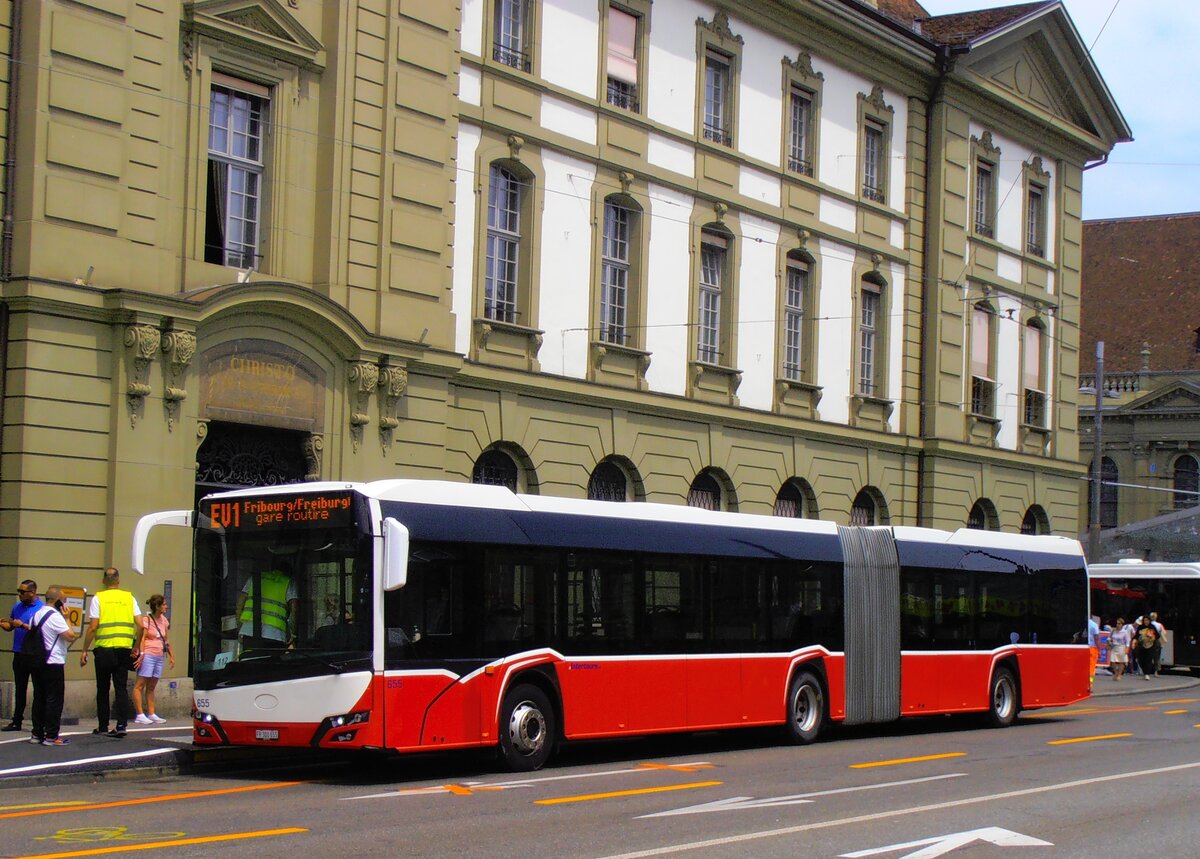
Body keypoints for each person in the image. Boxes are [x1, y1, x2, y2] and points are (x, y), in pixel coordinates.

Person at [10, 586, 79, 745]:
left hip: (36, 661)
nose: (65, 602)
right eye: (64, 600)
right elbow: (70, 636)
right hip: (52, 661)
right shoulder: (55, 616)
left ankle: (37, 733)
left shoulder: (37, 614)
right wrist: (67, 618)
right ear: (58, 601)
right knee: (54, 699)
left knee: (39, 697)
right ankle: (52, 735)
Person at [80, 567, 142, 737]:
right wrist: (136, 646)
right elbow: (142, 624)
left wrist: (84, 649)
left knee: (103, 688)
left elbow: (93, 627)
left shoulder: (99, 598)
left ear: (103, 581)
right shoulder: (129, 597)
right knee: (121, 687)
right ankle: (121, 725)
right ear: (119, 580)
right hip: (124, 648)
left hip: (104, 648)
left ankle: (102, 725)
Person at [0, 580, 43, 732]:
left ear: (32, 592)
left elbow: (41, 630)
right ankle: (16, 720)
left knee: (39, 688)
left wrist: (22, 625)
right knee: (20, 687)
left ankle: (39, 722)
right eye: (19, 591)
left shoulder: (41, 609)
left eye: (22, 592)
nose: (19, 595)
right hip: (19, 652)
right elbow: (10, 626)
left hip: (34, 653)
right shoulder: (17, 607)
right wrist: (5, 624)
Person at [132, 594, 173, 725]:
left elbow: (166, 639)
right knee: (140, 684)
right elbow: (142, 638)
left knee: (152, 686)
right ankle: (139, 714)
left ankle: (151, 713)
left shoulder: (164, 621)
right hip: (148, 653)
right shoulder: (147, 619)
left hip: (159, 655)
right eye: (164, 604)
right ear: (157, 606)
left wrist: (172, 655)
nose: (166, 607)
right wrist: (142, 653)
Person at [236, 564, 298, 650]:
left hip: (249, 632)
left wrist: (240, 628)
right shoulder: (288, 582)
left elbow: (239, 605)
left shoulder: (254, 578)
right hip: (275, 634)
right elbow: (294, 609)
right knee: (270, 662)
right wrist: (292, 634)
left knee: (249, 661)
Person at [1135, 615, 1158, 680]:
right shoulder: (1140, 627)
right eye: (1144, 620)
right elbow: (1136, 636)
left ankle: (1147, 674)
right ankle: (1144, 671)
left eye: (1147, 620)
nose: (1146, 622)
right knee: (1141, 660)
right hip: (1141, 646)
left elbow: (1157, 636)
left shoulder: (1152, 627)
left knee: (1148, 659)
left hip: (1150, 646)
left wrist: (1151, 638)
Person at [1108, 617, 1130, 681]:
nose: (1117, 625)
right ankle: (1116, 672)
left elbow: (1127, 641)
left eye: (1119, 623)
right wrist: (1109, 641)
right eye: (1117, 623)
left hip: (1121, 647)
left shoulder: (1125, 632)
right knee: (1112, 661)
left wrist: (1127, 648)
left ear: (1122, 624)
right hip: (1114, 647)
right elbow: (1109, 638)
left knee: (1121, 661)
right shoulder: (1113, 630)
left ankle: (1119, 674)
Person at [1086, 615, 1100, 687]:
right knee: (1091, 668)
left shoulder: (1082, 623)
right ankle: (1090, 683)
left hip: (1084, 648)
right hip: (1092, 648)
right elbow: (1096, 638)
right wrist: (1099, 649)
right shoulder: (1094, 625)